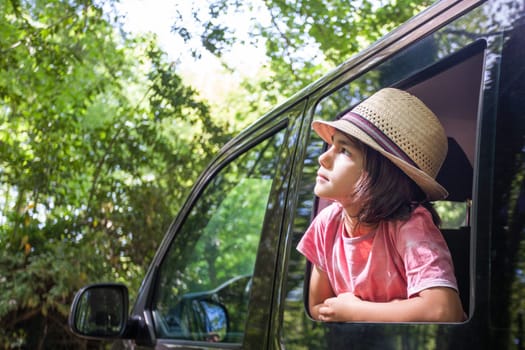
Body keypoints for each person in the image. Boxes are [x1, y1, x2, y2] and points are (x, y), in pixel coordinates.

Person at [297, 88, 465, 323]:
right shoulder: (327, 225)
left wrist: (356, 312)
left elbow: (444, 310)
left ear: (382, 174)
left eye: (344, 150)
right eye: (332, 145)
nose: (323, 158)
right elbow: (317, 307)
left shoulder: (409, 224)